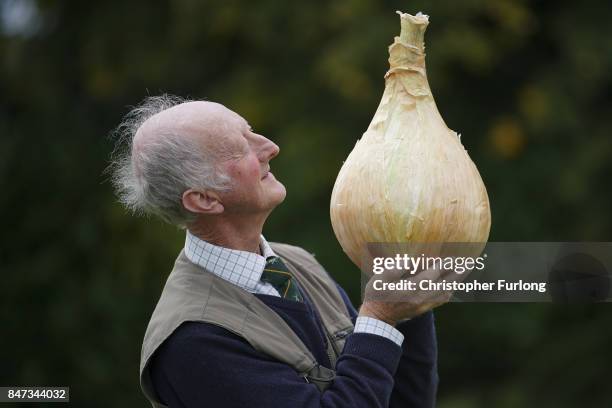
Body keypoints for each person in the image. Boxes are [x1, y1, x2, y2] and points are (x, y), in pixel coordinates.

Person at [110, 95, 443, 408]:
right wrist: (380, 315)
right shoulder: (192, 341)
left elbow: (402, 400)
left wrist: (406, 301)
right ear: (204, 200)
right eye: (241, 148)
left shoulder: (296, 262)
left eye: (251, 131)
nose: (270, 147)